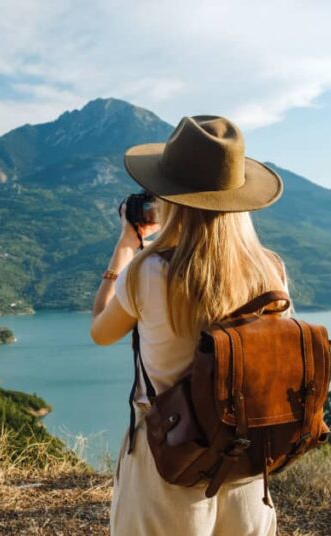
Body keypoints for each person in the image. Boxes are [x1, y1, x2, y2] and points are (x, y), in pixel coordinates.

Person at [90, 115, 288, 535]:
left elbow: (101, 331)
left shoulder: (149, 272)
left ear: (168, 196)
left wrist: (126, 245)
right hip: (245, 462)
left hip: (169, 460)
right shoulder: (270, 271)